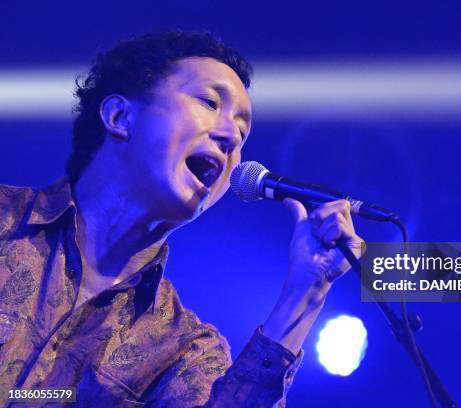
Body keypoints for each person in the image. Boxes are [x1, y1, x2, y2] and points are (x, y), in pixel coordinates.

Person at [0, 31, 363, 407]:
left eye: (241, 132)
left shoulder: (186, 350)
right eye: (208, 101)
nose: (230, 138)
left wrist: (307, 291)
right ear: (120, 116)